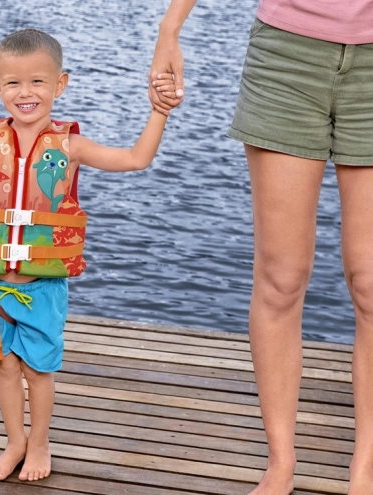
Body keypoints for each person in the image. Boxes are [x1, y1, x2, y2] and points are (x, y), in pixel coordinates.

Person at [149, 1, 373, 494]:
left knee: (371, 285)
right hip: (286, 58)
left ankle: (367, 466)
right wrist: (171, 26)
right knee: (281, 278)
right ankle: (280, 462)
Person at [0, 28, 178, 482]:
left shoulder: (68, 147)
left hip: (41, 287)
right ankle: (14, 442)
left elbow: (135, 159)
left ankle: (40, 443)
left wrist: (159, 114)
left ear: (60, 83)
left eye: (38, 82)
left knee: (37, 369)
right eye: (12, 83)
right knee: (5, 366)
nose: (25, 93)